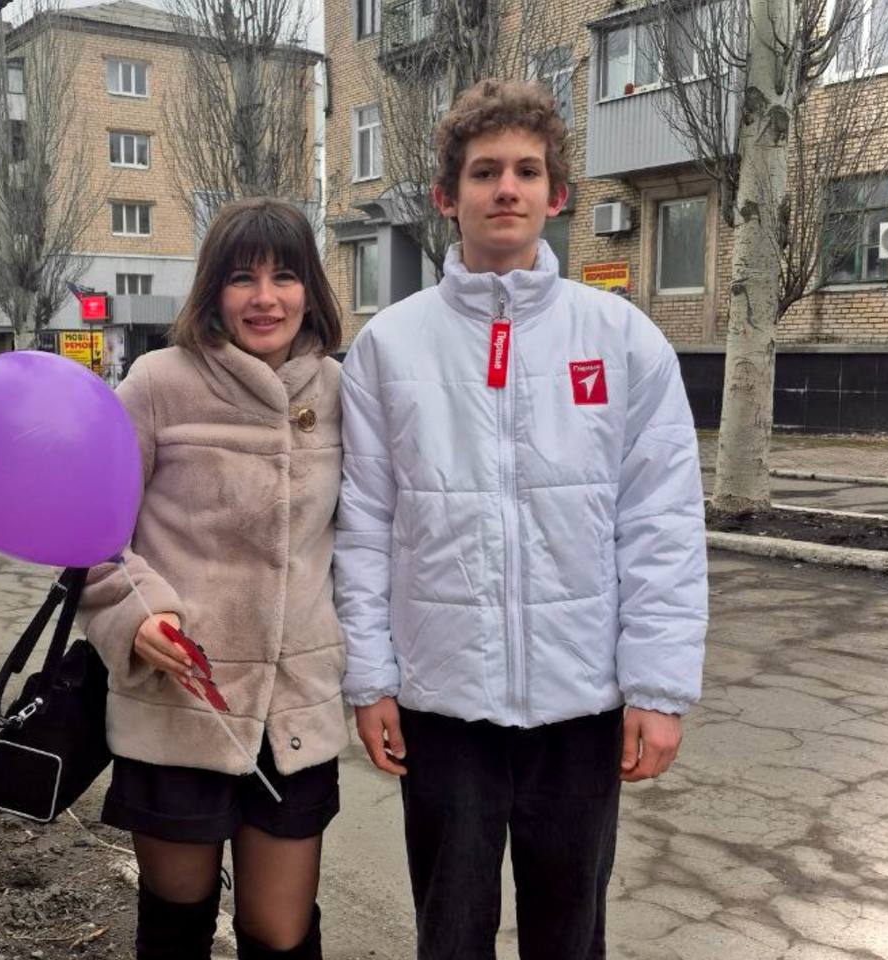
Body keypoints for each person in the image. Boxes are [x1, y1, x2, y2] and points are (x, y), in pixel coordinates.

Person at [334, 79, 708, 960]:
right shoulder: (389, 347)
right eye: (485, 171)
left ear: (557, 194)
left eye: (527, 171)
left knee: (569, 937)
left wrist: (657, 690)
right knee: (450, 934)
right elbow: (366, 525)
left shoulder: (622, 339)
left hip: (581, 706)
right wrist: (371, 679)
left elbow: (660, 524)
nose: (507, 188)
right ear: (446, 196)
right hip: (443, 706)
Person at [78, 197, 347, 960]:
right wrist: (136, 614)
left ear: (310, 290)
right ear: (212, 290)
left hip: (294, 714)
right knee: (176, 926)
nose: (265, 298)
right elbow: (91, 532)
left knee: (281, 934)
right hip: (178, 705)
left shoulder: (339, 391)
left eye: (285, 276)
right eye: (242, 278)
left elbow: (368, 534)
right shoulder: (157, 382)